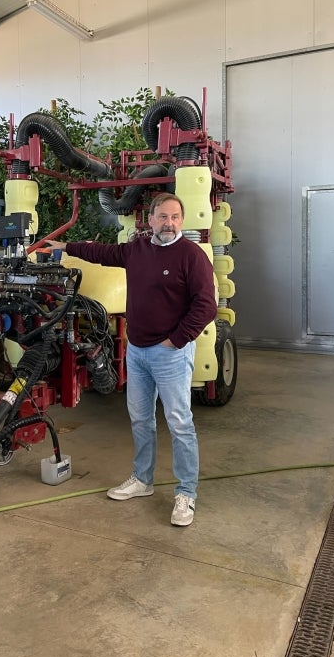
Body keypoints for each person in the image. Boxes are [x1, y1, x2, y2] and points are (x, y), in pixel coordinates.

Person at [45, 192, 217, 526]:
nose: (169, 223)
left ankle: (186, 493)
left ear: (182, 220)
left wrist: (176, 340)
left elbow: (206, 305)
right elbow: (103, 253)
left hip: (171, 354)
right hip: (137, 352)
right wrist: (67, 247)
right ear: (150, 219)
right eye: (163, 217)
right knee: (140, 419)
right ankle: (143, 479)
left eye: (175, 217)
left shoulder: (191, 256)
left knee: (180, 423)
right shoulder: (137, 249)